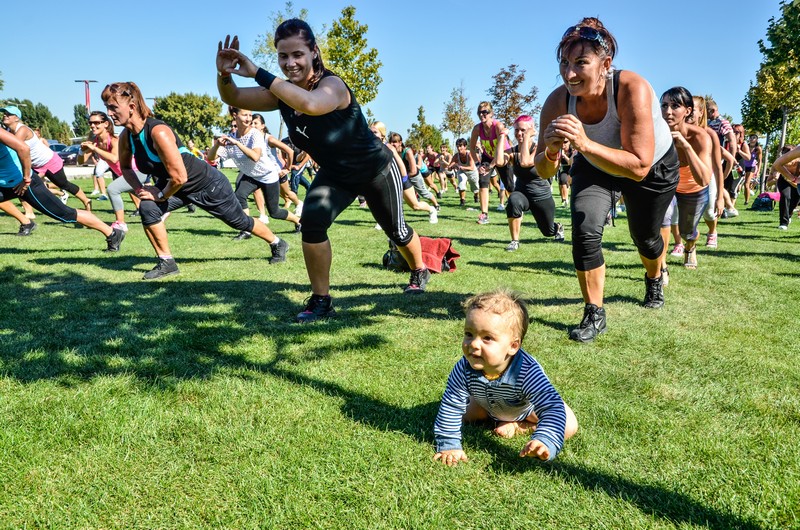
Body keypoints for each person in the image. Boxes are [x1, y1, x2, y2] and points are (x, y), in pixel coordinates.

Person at [216, 21, 431, 323]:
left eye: (297, 54)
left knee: (397, 231)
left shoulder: (332, 85)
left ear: (314, 52)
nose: (290, 63)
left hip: (375, 169)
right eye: (282, 56)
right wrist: (224, 75)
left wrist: (258, 72)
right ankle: (321, 300)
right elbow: (233, 98)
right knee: (312, 222)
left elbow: (312, 105)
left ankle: (419, 268)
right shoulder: (281, 94)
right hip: (335, 174)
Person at [535, 18, 679, 342]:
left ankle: (654, 276)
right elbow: (542, 171)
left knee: (645, 236)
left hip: (652, 166)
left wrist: (584, 143)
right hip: (596, 163)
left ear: (606, 64)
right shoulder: (558, 101)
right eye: (564, 63)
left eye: (581, 63)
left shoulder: (632, 88)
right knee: (584, 228)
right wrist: (553, 152)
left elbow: (639, 165)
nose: (569, 73)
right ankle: (594, 313)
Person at [101, 81, 289, 280]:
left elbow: (180, 176)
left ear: (131, 107)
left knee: (239, 222)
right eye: (107, 107)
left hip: (207, 184)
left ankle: (277, 242)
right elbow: (127, 168)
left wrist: (162, 194)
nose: (109, 113)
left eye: (113, 107)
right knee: (148, 207)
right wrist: (141, 190)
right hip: (176, 187)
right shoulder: (126, 137)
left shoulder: (158, 131)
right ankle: (167, 262)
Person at [433, 289, 578, 466]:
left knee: (568, 424)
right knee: (456, 413)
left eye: (487, 338)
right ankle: (498, 419)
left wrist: (544, 439)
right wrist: (449, 445)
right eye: (469, 334)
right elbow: (451, 405)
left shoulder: (526, 371)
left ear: (513, 346)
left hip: (525, 410)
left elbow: (551, 407)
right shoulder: (463, 367)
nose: (473, 344)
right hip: (485, 405)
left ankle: (521, 426)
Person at [0, 127, 125, 250]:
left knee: (65, 213)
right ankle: (26, 222)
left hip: (24, 183)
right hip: (5, 183)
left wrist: (26, 177)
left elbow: (23, 148)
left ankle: (112, 233)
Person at [208, 106, 301, 240]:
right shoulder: (231, 137)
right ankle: (246, 230)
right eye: (245, 115)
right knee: (239, 196)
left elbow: (255, 156)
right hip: (251, 176)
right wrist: (217, 145)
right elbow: (211, 158)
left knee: (274, 212)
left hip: (268, 175)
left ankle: (298, 221)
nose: (249, 119)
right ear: (235, 116)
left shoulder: (254, 134)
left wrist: (237, 143)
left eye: (250, 115)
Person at [659, 87, 712, 271]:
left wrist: (686, 146)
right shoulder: (656, 133)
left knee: (687, 232)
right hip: (668, 185)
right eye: (664, 105)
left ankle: (690, 247)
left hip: (693, 189)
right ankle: (661, 267)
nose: (668, 111)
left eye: (675, 106)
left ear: (687, 111)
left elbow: (704, 179)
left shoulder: (699, 137)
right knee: (663, 220)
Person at [1, 105, 93, 212]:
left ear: (16, 118)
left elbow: (13, 148)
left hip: (49, 161)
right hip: (35, 165)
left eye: (8, 114)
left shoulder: (22, 129)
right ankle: (29, 212)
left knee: (63, 184)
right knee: (20, 185)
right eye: (4, 113)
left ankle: (86, 200)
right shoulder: (7, 130)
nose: (5, 115)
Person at [495, 115, 564, 251]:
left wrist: (527, 138)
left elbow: (526, 162)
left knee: (548, 232)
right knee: (513, 200)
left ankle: (558, 227)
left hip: (541, 196)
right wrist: (502, 136)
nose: (519, 133)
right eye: (516, 130)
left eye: (523, 130)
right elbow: (499, 161)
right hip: (522, 193)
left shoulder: (540, 148)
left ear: (531, 130)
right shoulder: (513, 150)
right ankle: (515, 241)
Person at [80, 111, 150, 233]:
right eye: (90, 123)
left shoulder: (114, 140)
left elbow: (114, 158)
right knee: (144, 196)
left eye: (97, 123)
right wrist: (82, 151)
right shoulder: (95, 140)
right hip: (126, 174)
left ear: (106, 124)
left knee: (112, 189)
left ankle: (121, 224)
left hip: (137, 170)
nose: (92, 126)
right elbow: (81, 161)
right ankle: (164, 210)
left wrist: (94, 148)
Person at [469, 102, 512, 224]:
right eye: (479, 112)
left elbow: (501, 150)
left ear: (491, 113)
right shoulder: (477, 129)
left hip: (503, 156)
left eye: (485, 112)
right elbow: (472, 148)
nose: (481, 115)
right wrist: (478, 164)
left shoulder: (498, 126)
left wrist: (491, 166)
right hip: (487, 157)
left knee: (509, 186)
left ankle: (516, 209)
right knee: (483, 181)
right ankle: (484, 214)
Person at [772, 144, 800, 230]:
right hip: (785, 180)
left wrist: (796, 180)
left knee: (795, 200)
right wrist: (790, 177)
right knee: (785, 196)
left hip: (797, 182)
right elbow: (776, 166)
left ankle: (789, 215)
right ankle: (783, 222)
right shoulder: (783, 161)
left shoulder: (798, 161)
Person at [447, 138, 480, 208]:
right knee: (461, 183)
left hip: (472, 171)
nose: (459, 148)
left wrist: (460, 167)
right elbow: (449, 168)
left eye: (460, 146)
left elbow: (471, 167)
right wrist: (452, 166)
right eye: (457, 146)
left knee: (475, 187)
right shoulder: (456, 156)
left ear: (465, 147)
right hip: (462, 171)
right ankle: (462, 200)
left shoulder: (470, 154)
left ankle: (476, 196)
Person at [557, 139, 573, 207]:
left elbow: (570, 162)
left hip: (572, 169)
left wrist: (564, 155)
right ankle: (564, 199)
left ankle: (566, 199)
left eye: (565, 142)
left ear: (569, 142)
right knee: (561, 181)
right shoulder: (559, 150)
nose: (563, 144)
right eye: (562, 142)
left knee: (565, 181)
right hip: (564, 170)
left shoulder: (572, 150)